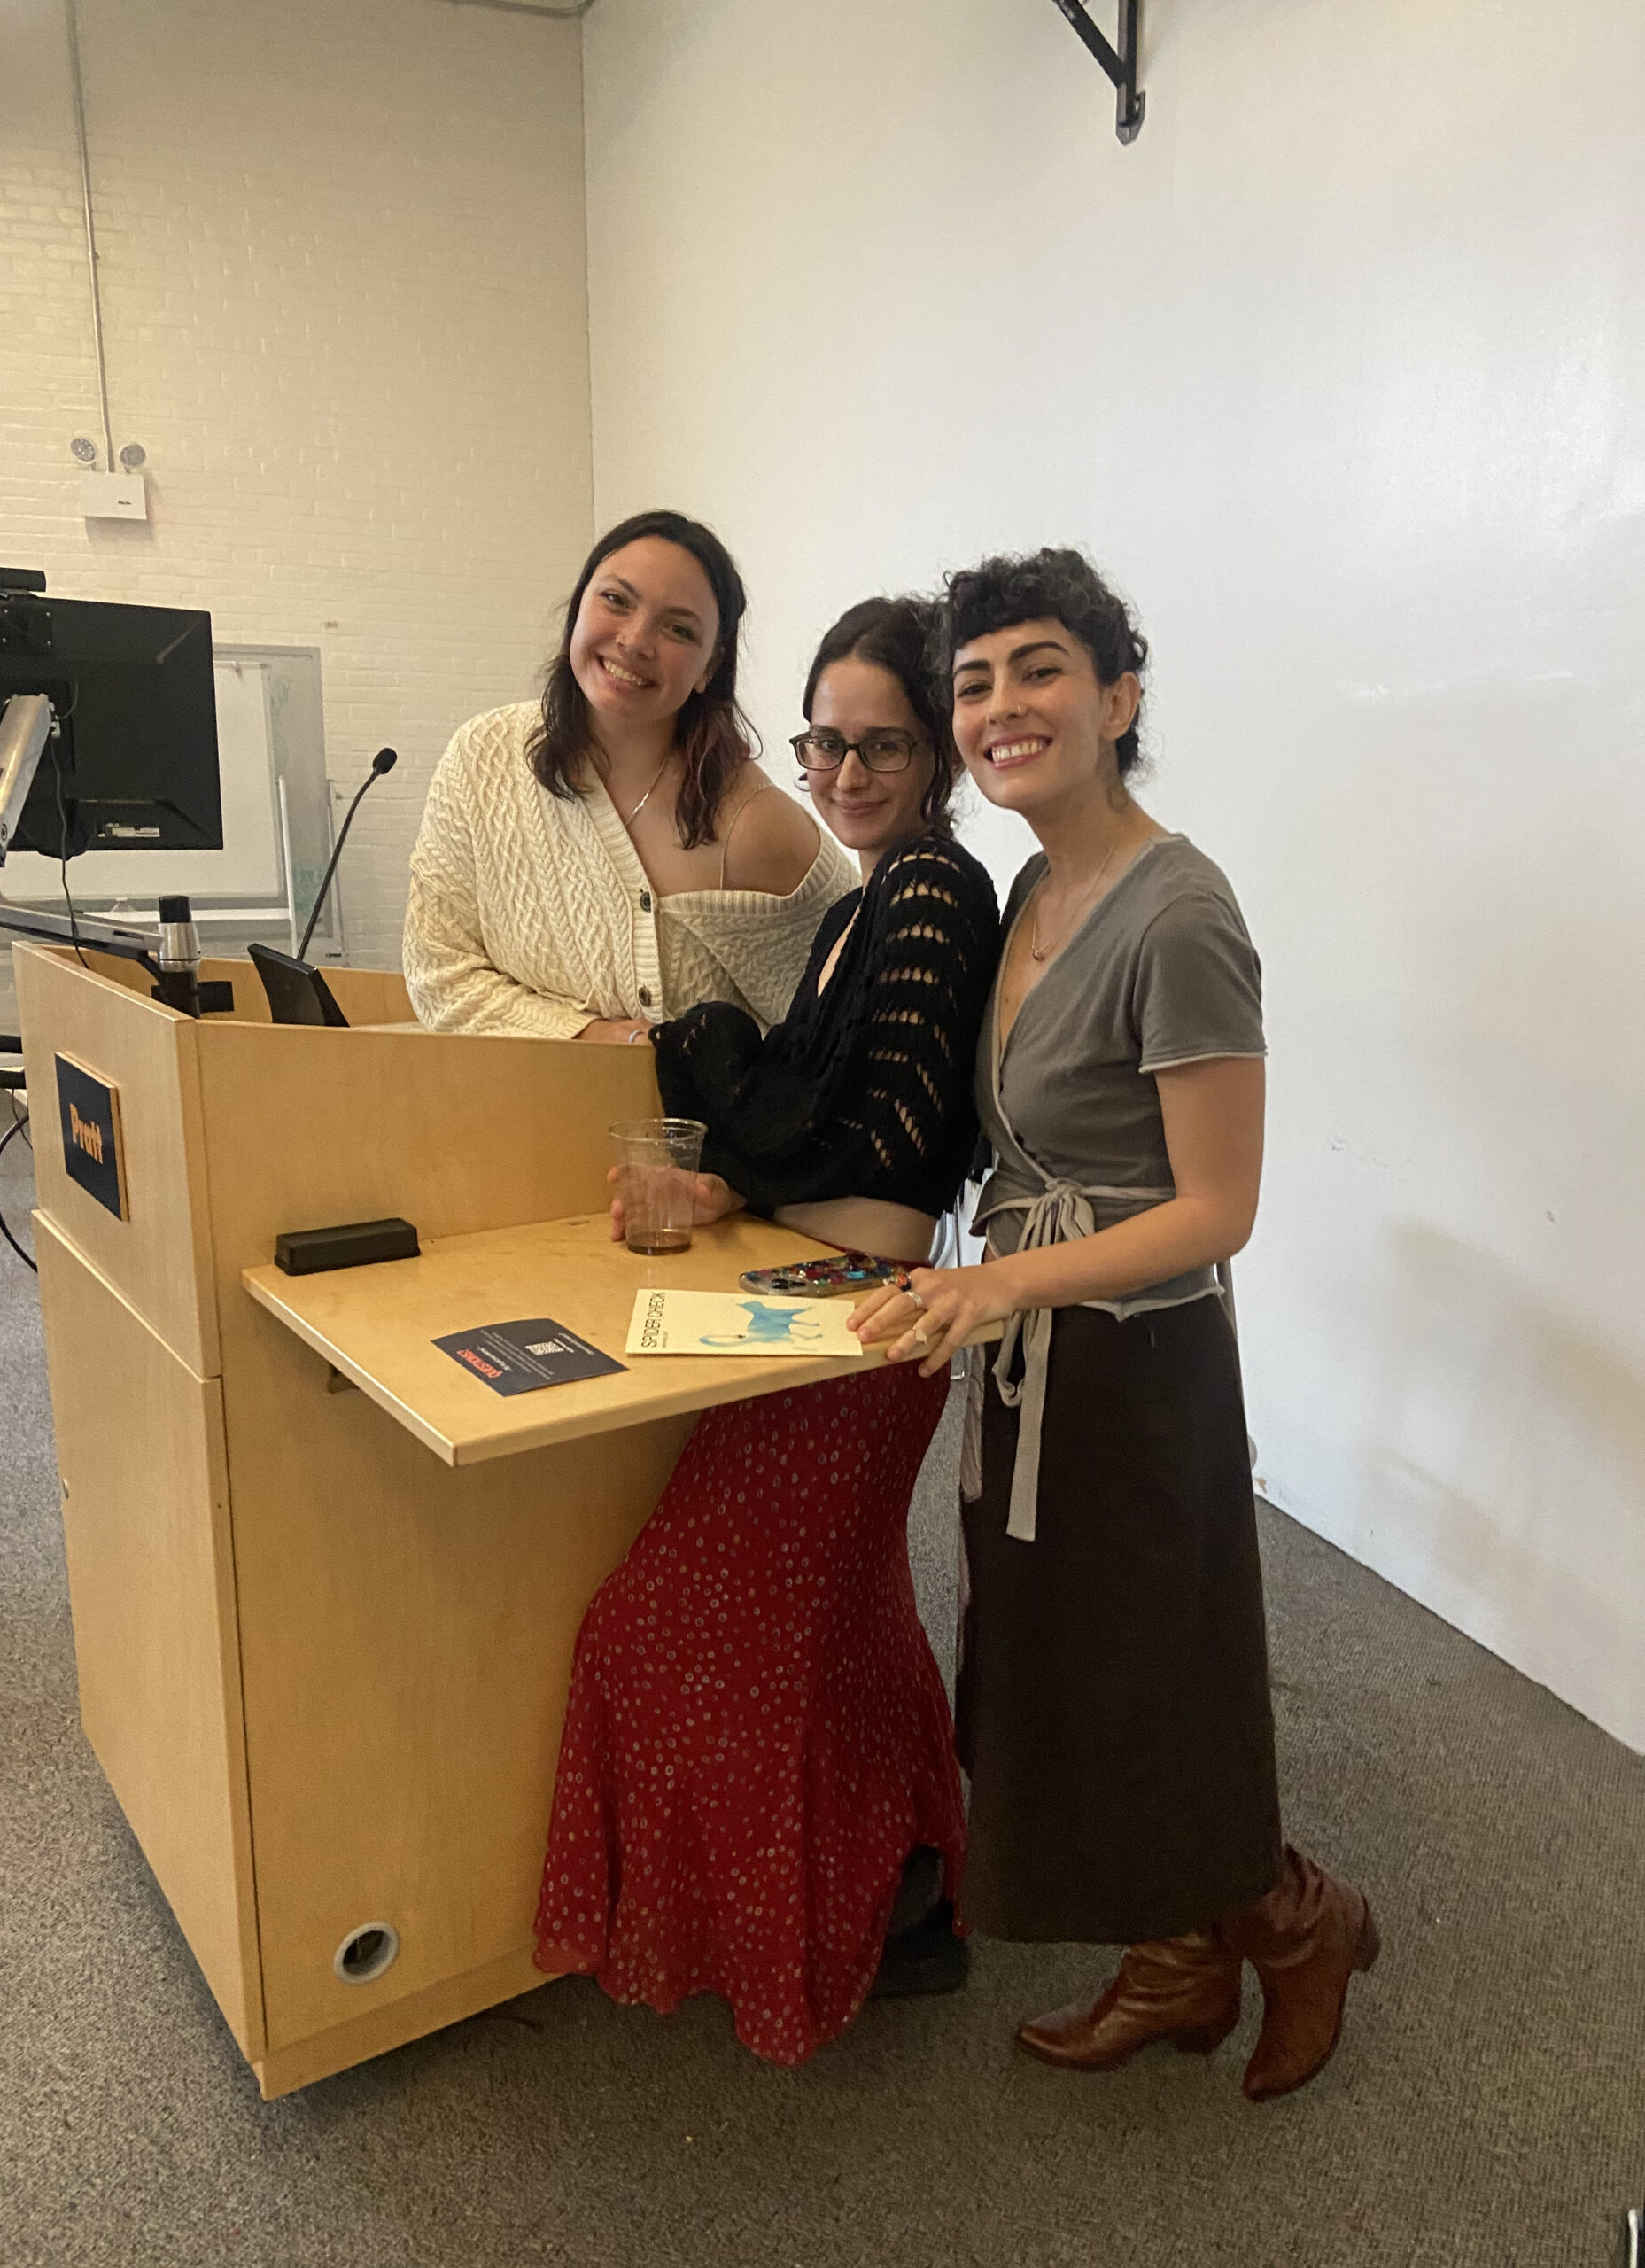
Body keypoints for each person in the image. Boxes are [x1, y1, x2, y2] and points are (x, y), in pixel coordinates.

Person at [853, 549, 1377, 2104]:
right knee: (1062, 1667)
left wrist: (999, 1284)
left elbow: (1219, 1208)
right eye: (973, 683)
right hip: (1030, 1352)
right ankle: (1174, 1958)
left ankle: (1298, 1922)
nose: (1000, 706)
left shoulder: (1181, 912)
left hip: (1137, 1364)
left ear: (1117, 695)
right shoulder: (1031, 887)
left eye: (1036, 670)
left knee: (1153, 1673)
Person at [533, 597, 1000, 2064]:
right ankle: (900, 1893)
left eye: (883, 743)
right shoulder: (869, 900)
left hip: (855, 1332)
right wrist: (723, 1170)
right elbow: (816, 1120)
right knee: (842, 1626)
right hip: (813, 1308)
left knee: (659, 1627)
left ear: (938, 754)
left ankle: (818, 1920)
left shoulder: (929, 893)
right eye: (824, 739)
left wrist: (712, 1062)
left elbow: (876, 1130)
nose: (844, 770)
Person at [403, 509, 853, 1038]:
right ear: (577, 608)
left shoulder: (756, 826)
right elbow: (440, 976)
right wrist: (591, 1037)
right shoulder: (482, 759)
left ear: (710, 667)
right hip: (508, 1112)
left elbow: (845, 1027)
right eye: (616, 600)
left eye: (678, 629)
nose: (636, 641)